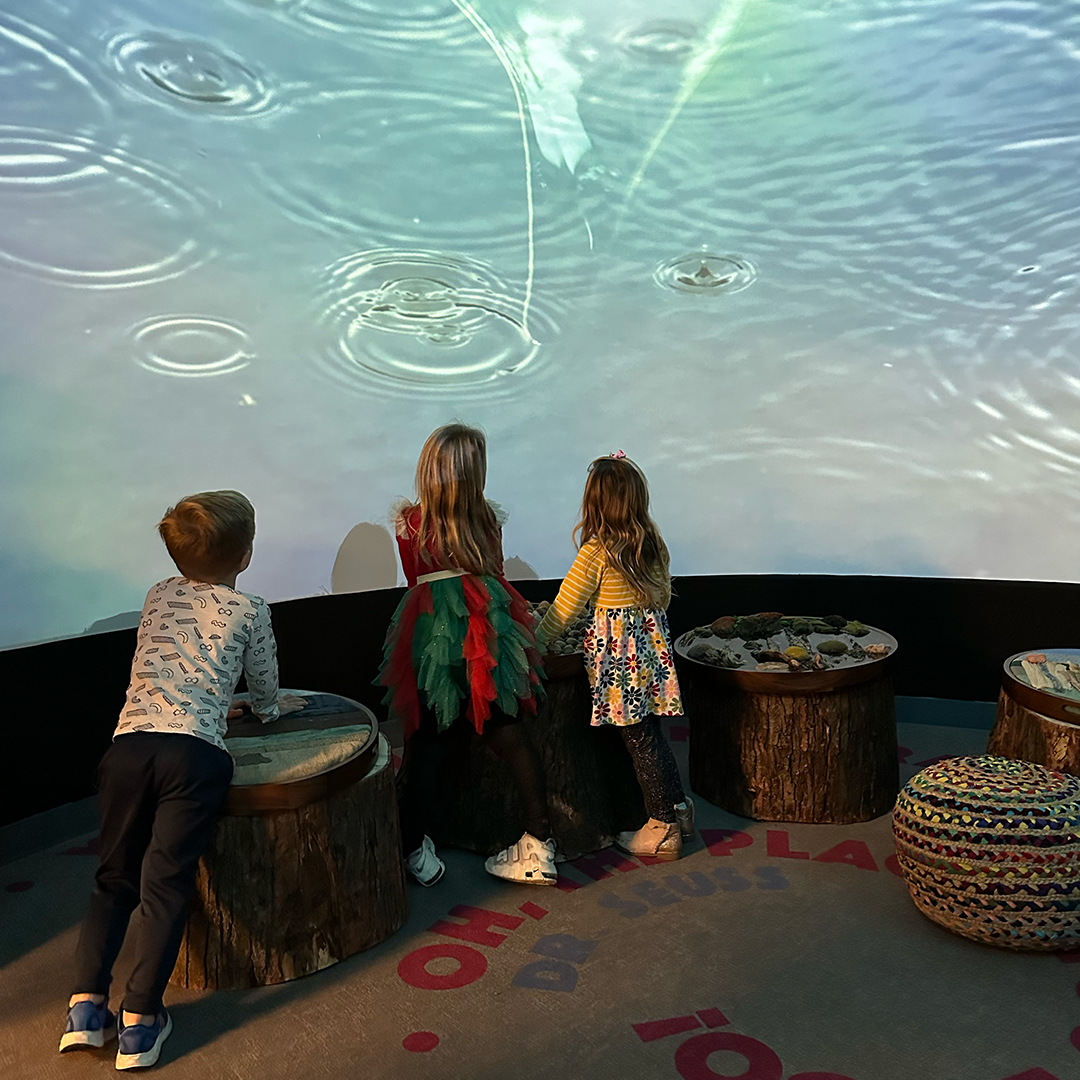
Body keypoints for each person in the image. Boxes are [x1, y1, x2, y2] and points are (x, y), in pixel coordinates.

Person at [60, 491, 303, 1069]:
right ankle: (141, 1021)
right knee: (164, 884)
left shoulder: (157, 594)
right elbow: (265, 694)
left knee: (112, 878)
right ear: (244, 557)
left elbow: (171, 666)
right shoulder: (250, 609)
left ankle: (85, 1009)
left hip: (127, 750)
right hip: (192, 756)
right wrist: (266, 708)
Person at [378, 423, 554, 886]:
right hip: (487, 625)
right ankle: (540, 842)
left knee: (428, 738)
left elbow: (415, 575)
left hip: (431, 629)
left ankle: (414, 848)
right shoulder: (487, 520)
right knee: (509, 732)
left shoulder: (410, 522)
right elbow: (493, 571)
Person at [536, 452, 693, 861]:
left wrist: (535, 642)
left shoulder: (596, 552)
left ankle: (662, 827)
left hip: (621, 664)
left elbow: (565, 608)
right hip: (650, 657)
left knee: (640, 741)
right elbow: (662, 595)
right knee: (653, 735)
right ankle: (678, 808)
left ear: (594, 503)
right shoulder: (651, 544)